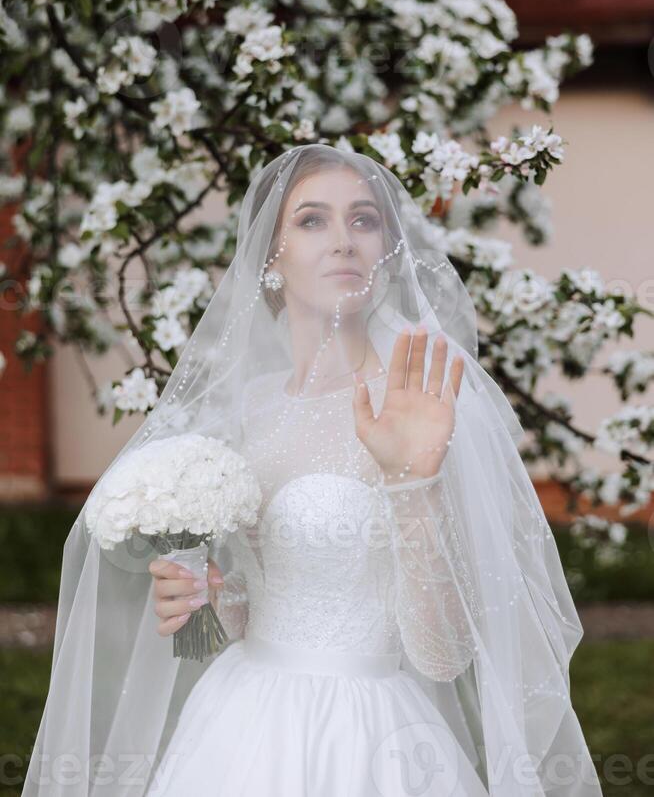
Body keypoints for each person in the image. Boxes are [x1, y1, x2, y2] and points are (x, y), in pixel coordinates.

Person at [24, 143, 604, 797]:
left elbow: (442, 655)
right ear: (271, 261)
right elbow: (256, 606)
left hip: (369, 739)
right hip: (242, 726)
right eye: (311, 220)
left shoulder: (423, 401)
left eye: (363, 220)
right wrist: (206, 601)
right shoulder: (247, 407)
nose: (342, 241)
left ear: (388, 251)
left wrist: (415, 484)